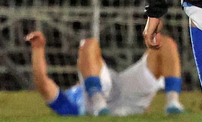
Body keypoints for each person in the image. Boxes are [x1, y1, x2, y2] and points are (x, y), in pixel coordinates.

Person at [25, 29, 185, 117]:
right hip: (96, 104)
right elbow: (42, 83)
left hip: (119, 92)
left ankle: (172, 103)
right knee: (88, 44)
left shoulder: (71, 96)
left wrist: (38, 49)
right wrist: (38, 49)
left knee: (164, 43)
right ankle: (98, 103)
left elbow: (43, 84)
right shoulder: (70, 104)